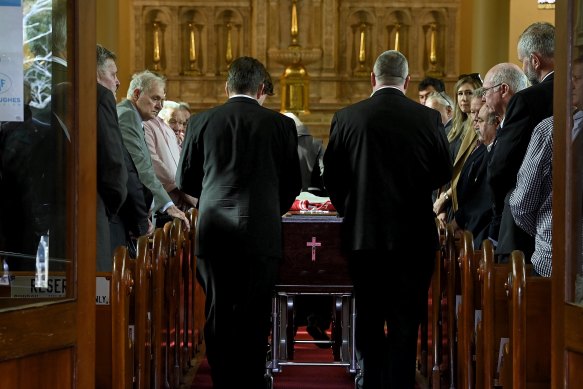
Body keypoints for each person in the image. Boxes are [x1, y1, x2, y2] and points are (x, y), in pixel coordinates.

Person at [323, 50, 452, 388]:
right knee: (406, 319)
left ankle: (371, 380)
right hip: (414, 238)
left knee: (367, 314)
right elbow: (442, 171)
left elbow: (332, 178)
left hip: (364, 236)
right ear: (407, 82)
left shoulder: (347, 117)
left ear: (372, 79)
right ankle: (400, 382)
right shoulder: (428, 119)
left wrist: (352, 209)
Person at [176, 56, 301, 389]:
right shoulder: (281, 125)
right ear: (262, 88)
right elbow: (292, 182)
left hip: (214, 231)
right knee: (256, 313)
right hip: (261, 232)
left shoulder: (202, 122)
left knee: (218, 310)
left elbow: (185, 179)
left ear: (227, 86)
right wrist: (270, 210)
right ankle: (250, 380)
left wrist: (211, 198)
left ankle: (223, 380)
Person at [487, 22, 555, 261]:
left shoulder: (526, 100)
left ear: (535, 61)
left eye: (523, 61)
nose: (523, 68)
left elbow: (501, 166)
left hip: (523, 226)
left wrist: (504, 208)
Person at [117, 70, 190, 231]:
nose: (160, 106)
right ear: (136, 94)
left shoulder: (135, 117)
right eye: (155, 98)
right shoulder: (128, 116)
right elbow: (140, 166)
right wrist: (168, 205)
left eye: (162, 100)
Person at [95, 44, 128, 271]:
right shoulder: (101, 98)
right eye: (113, 74)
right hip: (99, 215)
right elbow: (113, 165)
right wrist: (112, 207)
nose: (117, 82)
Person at [452, 104, 500, 248]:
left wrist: (462, 221)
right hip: (471, 227)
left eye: (480, 120)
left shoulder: (497, 152)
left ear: (496, 123)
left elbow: (484, 200)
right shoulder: (484, 149)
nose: (475, 125)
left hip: (485, 235)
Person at [143, 102, 197, 214]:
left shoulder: (180, 141)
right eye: (172, 121)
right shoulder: (150, 128)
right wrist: (180, 188)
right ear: (161, 121)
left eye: (182, 123)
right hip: (162, 205)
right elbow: (155, 163)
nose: (178, 127)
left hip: (183, 205)